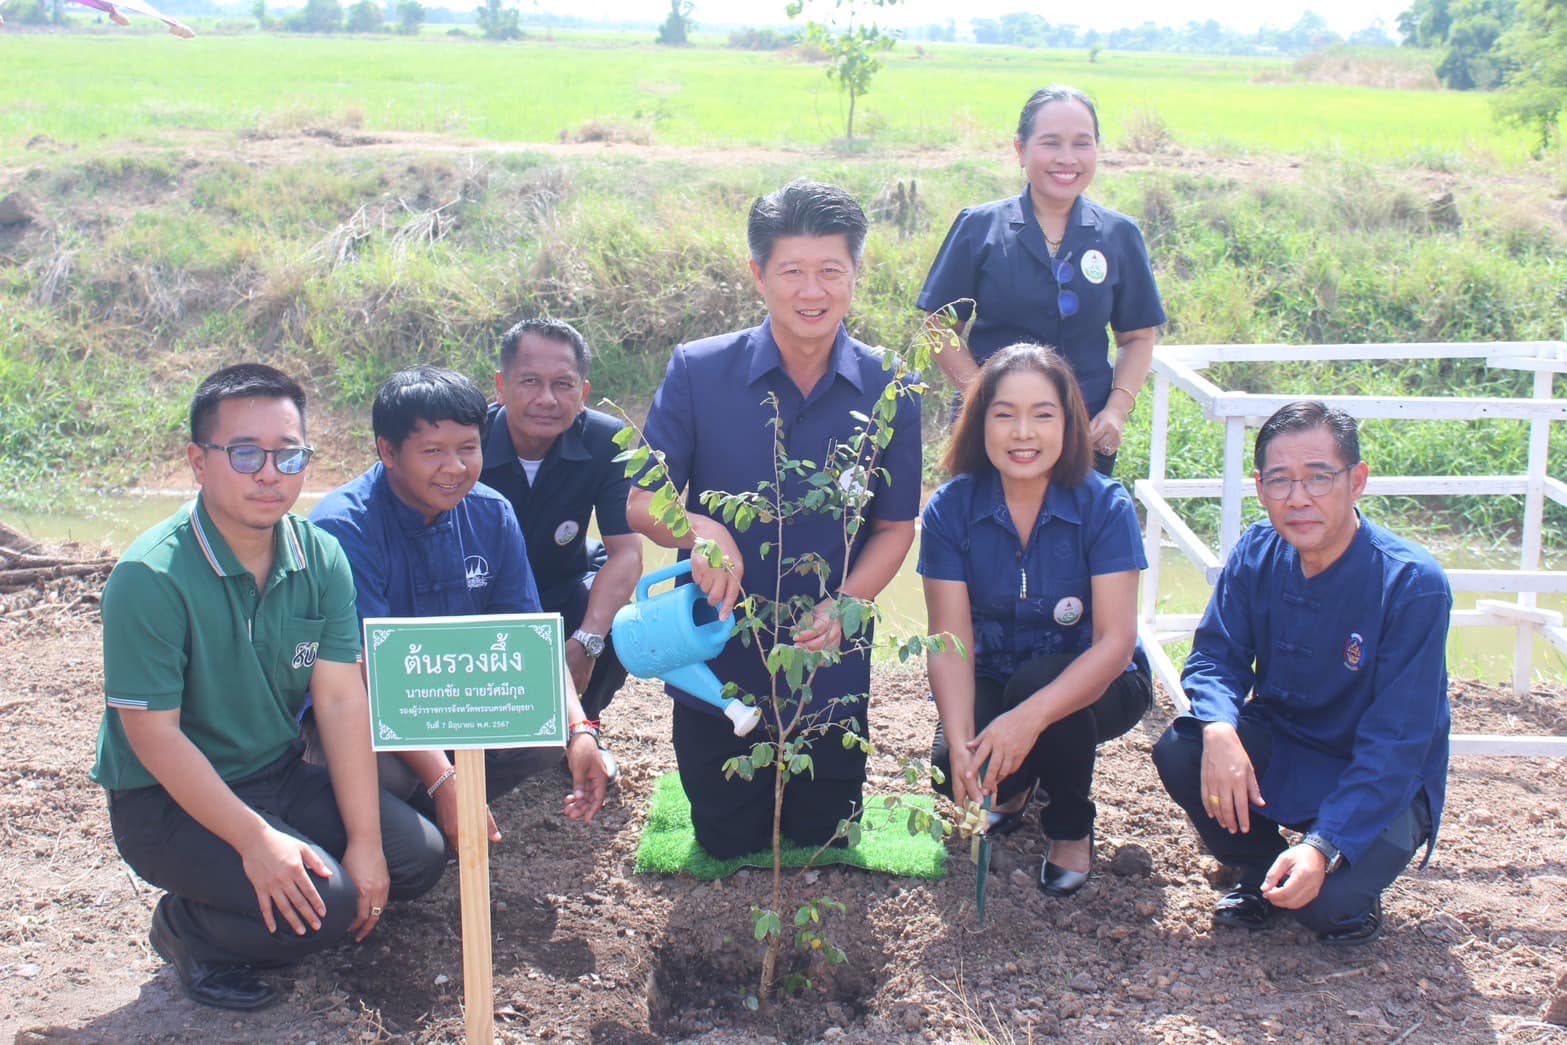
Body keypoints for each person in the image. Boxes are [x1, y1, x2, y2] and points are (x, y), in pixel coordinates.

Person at [91, 364, 446, 1011]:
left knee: (415, 857)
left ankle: (283, 878)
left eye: (288, 453)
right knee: (330, 902)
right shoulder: (151, 574)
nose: (269, 472)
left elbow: (339, 699)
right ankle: (190, 930)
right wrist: (256, 842)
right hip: (163, 800)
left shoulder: (319, 555)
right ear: (199, 461)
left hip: (275, 771)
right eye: (245, 452)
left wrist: (365, 842)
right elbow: (152, 736)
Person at [627, 180, 922, 860]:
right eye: (791, 271)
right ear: (758, 274)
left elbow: (893, 527)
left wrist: (849, 603)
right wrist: (701, 528)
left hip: (830, 666)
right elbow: (641, 501)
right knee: (725, 840)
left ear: (855, 274)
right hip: (714, 657)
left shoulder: (890, 387)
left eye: (829, 271)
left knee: (822, 838)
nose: (810, 291)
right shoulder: (698, 372)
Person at [1153, 401, 1452, 945]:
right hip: (1288, 741)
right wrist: (1220, 726)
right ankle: (1261, 869)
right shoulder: (1258, 550)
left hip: (1380, 775)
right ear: (1261, 488)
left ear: (1356, 480)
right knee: (1184, 746)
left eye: (1318, 478)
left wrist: (1323, 844)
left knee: (1328, 912)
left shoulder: (1411, 584)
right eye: (1280, 481)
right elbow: (1215, 655)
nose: (1298, 498)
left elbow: (1398, 742)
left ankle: (1331, 875)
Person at [309, 366, 608, 854]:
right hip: (367, 712)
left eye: (468, 449)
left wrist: (580, 730)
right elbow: (360, 674)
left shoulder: (492, 512)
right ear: (388, 451)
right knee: (381, 768)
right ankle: (413, 818)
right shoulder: (343, 527)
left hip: (452, 696)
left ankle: (434, 813)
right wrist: (444, 778)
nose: (455, 468)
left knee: (546, 733)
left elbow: (526, 640)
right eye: (432, 452)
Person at [920, 344, 1151, 897]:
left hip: (1101, 684)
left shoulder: (1106, 507)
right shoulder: (949, 510)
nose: (1023, 433)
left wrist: (1024, 721)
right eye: (1005, 414)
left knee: (1041, 688)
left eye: (1042, 414)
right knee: (948, 771)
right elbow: (950, 642)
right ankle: (1016, 788)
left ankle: (1070, 825)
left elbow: (1115, 644)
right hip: (996, 674)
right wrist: (958, 742)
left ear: (1069, 423)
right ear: (980, 425)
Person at [918, 85, 1166, 473]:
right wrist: (980, 400)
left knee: (1075, 530)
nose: (1067, 159)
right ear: (1021, 149)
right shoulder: (979, 227)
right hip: (990, 433)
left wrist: (1116, 410)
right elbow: (938, 328)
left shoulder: (1119, 235)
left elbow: (1137, 337)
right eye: (1051, 143)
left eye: (1082, 144)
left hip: (1083, 432)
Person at [481, 317, 642, 781]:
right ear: (501, 386)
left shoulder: (607, 439)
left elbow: (627, 553)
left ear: (583, 392)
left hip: (560, 587)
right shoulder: (465, 434)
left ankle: (583, 729)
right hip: (479, 599)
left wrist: (586, 641)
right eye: (530, 382)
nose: (546, 399)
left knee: (616, 613)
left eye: (562, 385)